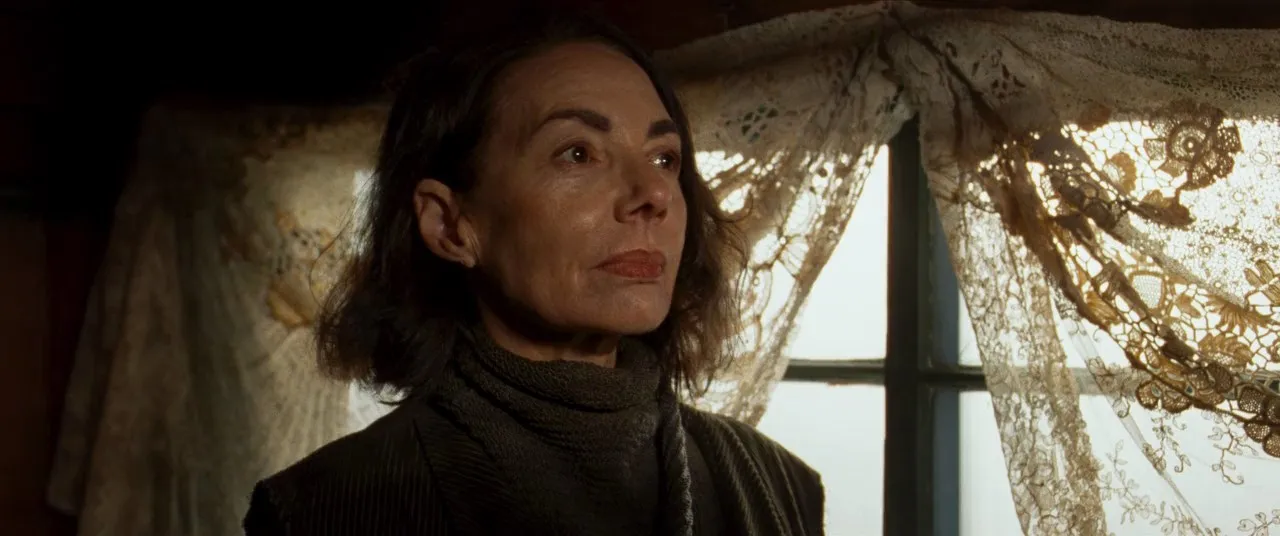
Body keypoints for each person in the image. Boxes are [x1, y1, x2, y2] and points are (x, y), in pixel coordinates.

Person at [242, 8, 824, 536]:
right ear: (449, 225)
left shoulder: (779, 487)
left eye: (664, 157)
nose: (654, 194)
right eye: (578, 153)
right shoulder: (325, 512)